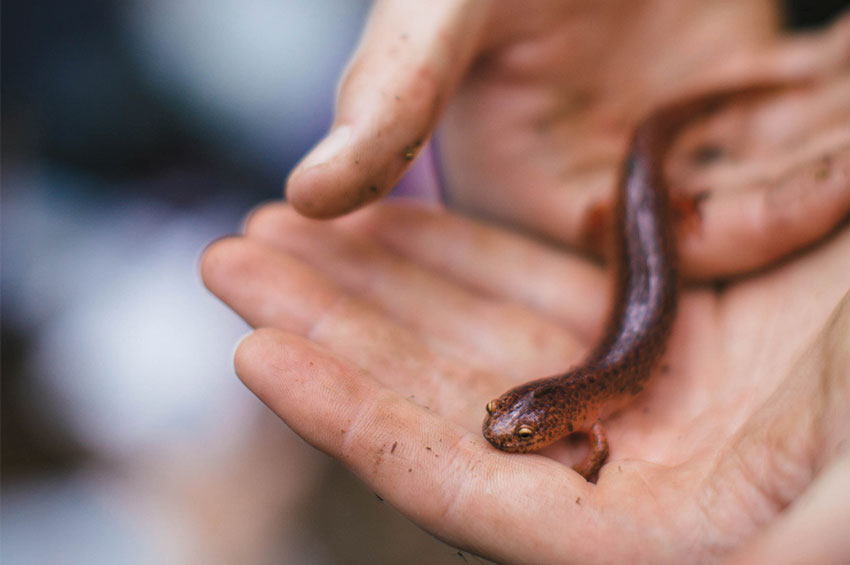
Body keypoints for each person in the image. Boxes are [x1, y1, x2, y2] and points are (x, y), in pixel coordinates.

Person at [203, 2, 850, 562]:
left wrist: (594, 473)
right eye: (509, 423)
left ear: (556, 419)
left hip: (648, 207)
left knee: (650, 211)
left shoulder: (587, 416)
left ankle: (675, 195)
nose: (503, 433)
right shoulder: (581, 404)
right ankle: (656, 195)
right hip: (636, 210)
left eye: (515, 433)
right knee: (639, 210)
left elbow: (598, 447)